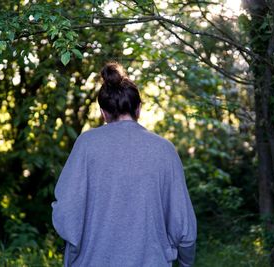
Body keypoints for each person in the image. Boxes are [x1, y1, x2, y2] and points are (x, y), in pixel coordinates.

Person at [51, 62, 197, 267]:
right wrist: (185, 263)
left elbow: (66, 212)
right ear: (138, 109)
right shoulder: (164, 150)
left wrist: (72, 257)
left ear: (103, 112)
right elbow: (183, 226)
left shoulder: (86, 145)